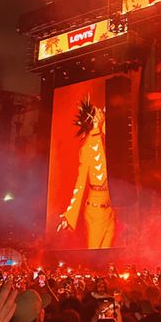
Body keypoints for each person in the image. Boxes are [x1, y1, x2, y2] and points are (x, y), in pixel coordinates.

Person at [56, 96, 116, 249]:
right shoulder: (88, 147)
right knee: (97, 254)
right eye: (98, 113)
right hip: (95, 212)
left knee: (109, 254)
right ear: (94, 120)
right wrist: (69, 215)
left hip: (110, 209)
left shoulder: (107, 139)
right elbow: (80, 182)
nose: (102, 113)